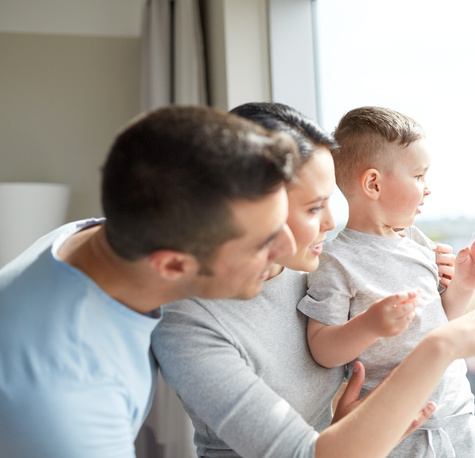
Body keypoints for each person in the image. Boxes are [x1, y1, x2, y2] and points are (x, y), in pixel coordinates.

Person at [152, 102, 475, 458]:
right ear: (250, 208)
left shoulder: (306, 264)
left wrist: (453, 287)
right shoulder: (189, 327)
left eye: (328, 201)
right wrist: (441, 346)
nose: (332, 223)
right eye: (314, 207)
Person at [0, 105, 299, 458]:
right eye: (264, 242)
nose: (289, 248)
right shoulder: (68, 398)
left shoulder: (95, 239)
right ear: (173, 265)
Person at [298, 106, 475, 457]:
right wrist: (370, 325)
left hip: (454, 417)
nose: (428, 189)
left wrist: (463, 286)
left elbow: (439, 325)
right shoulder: (336, 261)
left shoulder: (418, 245)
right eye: (419, 176)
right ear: (373, 183)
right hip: (397, 433)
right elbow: (322, 349)